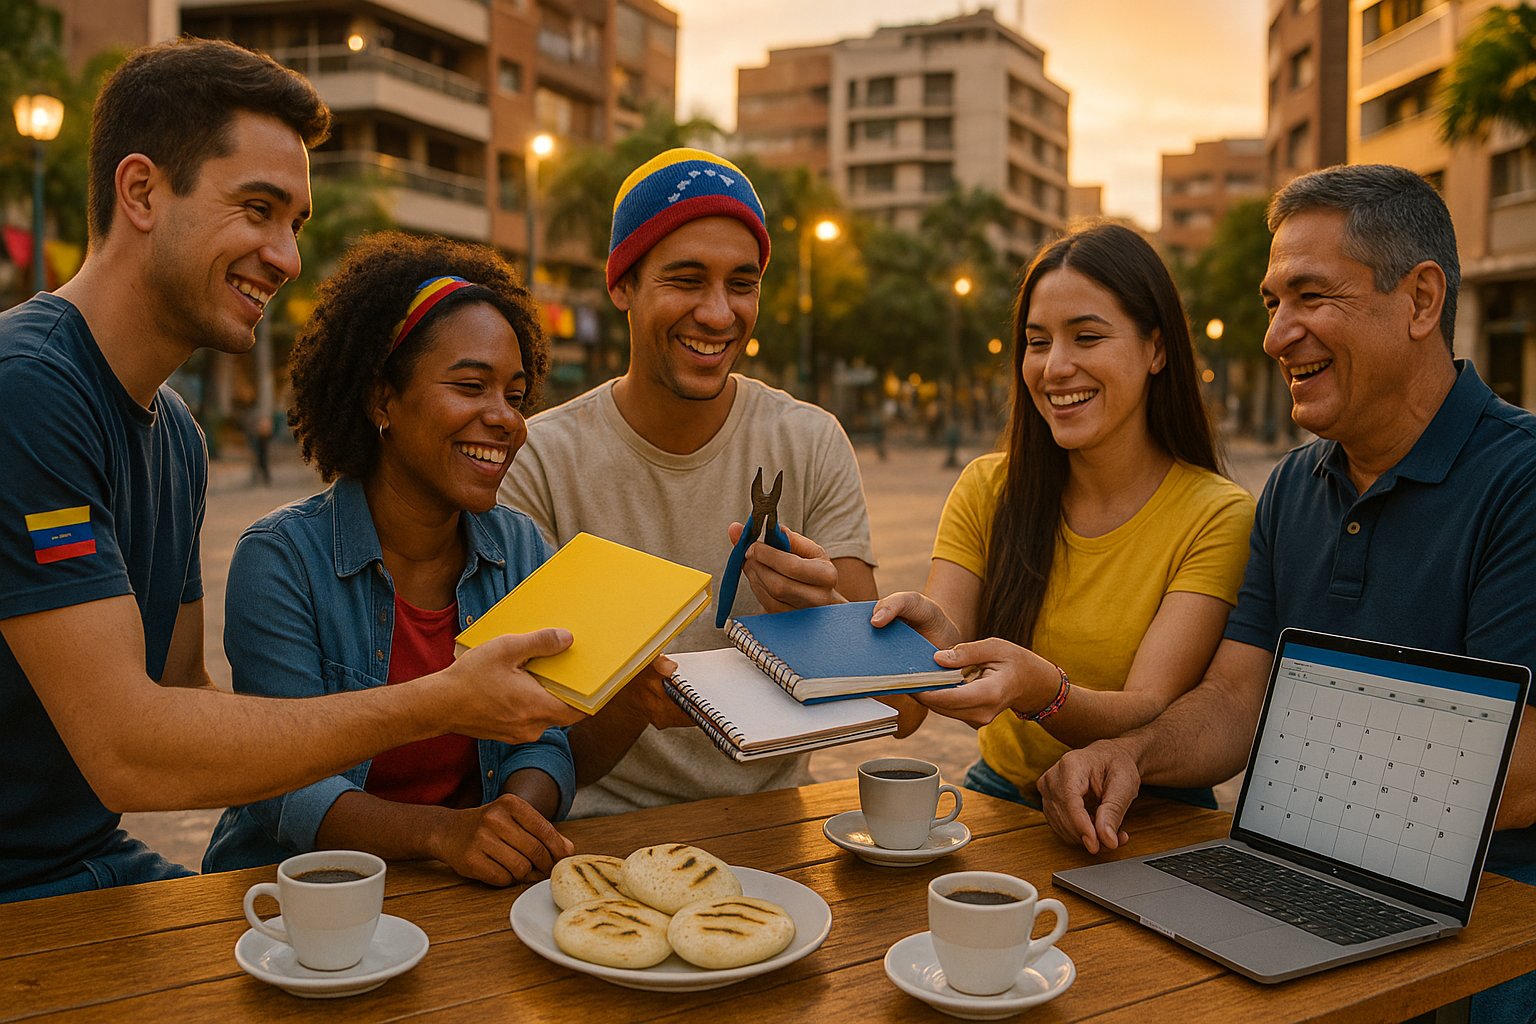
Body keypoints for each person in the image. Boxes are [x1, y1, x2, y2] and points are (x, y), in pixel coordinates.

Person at [0, 38, 580, 904]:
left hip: (85, 865)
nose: (285, 256)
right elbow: (128, 749)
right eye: (258, 209)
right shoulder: (29, 389)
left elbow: (185, 695)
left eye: (295, 224)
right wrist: (439, 707)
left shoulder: (178, 436)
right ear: (142, 191)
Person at [1036, 166, 1536, 1024]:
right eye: (1272, 302)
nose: (1277, 336)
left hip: (1487, 932)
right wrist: (1133, 757)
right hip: (1295, 889)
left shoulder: (1519, 478)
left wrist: (1296, 794)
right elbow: (1238, 693)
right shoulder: (1290, 489)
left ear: (1421, 301)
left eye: (1310, 296)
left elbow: (1520, 766)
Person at [500, 148, 904, 816]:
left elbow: (895, 709)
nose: (718, 314)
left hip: (776, 823)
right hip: (598, 830)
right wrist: (629, 704)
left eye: (741, 284)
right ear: (622, 286)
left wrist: (820, 623)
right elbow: (518, 735)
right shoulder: (540, 459)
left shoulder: (809, 440)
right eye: (686, 280)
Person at [203, 233, 581, 885]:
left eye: (516, 397)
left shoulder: (521, 549)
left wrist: (510, 823)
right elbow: (285, 783)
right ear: (382, 399)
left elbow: (543, 739)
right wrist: (442, 834)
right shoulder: (280, 560)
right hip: (300, 901)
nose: (506, 419)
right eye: (470, 386)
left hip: (467, 891)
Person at [872, 224, 1254, 811]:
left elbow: (1148, 708)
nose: (1055, 368)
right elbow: (907, 711)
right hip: (1003, 793)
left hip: (1148, 807)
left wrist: (1041, 692)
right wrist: (921, 650)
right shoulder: (985, 487)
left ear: (1157, 349)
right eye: (1039, 340)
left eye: (1087, 337)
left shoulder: (1217, 515)